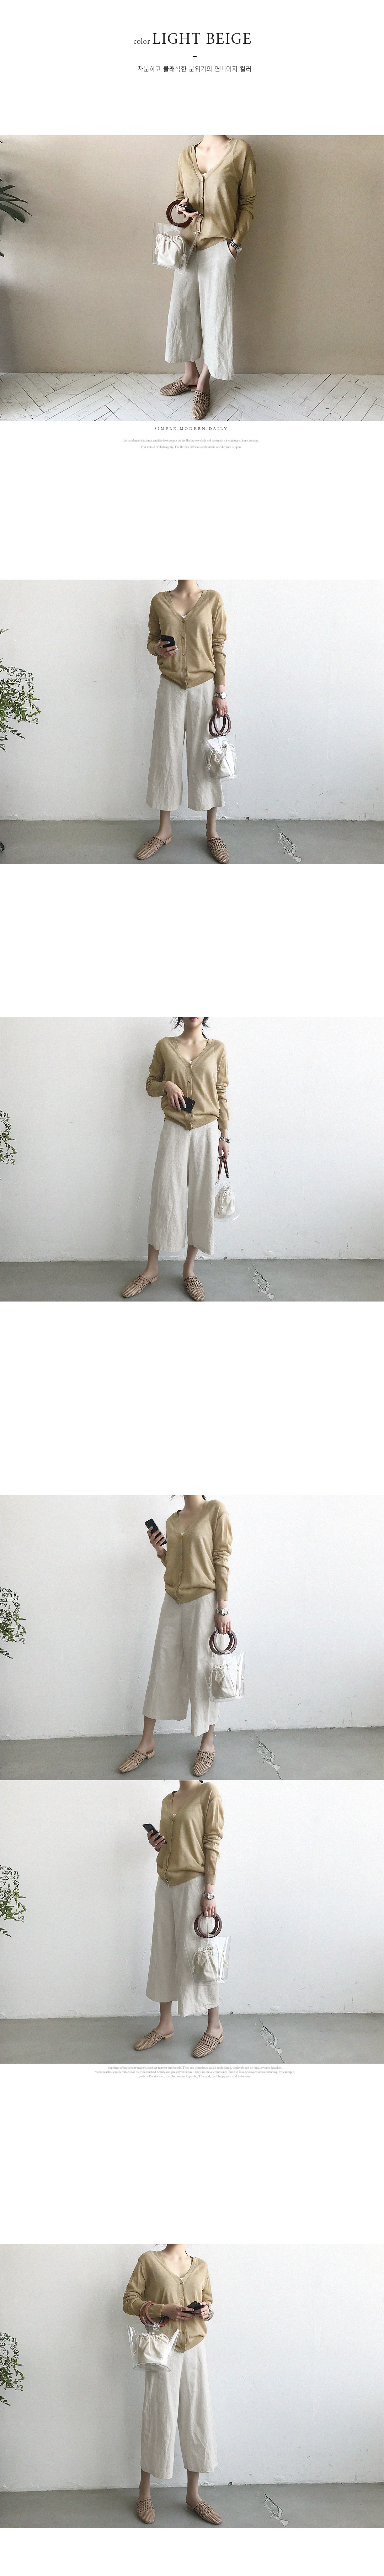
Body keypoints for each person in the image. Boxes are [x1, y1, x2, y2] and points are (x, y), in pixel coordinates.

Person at [119, 1491, 233, 1771]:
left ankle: (208, 1743)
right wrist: (161, 1552)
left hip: (204, 1601)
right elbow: (176, 1564)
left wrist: (223, 1607)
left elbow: (221, 1558)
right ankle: (147, 1743)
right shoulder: (173, 1520)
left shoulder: (216, 1510)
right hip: (173, 1600)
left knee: (204, 1671)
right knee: (162, 1667)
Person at [122, 1018, 230, 1301]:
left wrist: (225, 1135)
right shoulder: (165, 1047)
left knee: (201, 1197)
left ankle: (189, 1271)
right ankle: (151, 1270)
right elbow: (150, 1085)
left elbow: (221, 1093)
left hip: (207, 1132)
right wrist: (167, 1085)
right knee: (165, 1195)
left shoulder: (218, 1049)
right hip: (174, 1129)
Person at [123, 2241, 220, 2523]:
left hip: (195, 2350)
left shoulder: (201, 2266)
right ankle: (144, 2493)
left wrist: (206, 2311)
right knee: (159, 2416)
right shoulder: (149, 2260)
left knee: (197, 2417)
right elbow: (129, 2301)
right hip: (162, 2350)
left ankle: (194, 2496)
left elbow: (209, 2303)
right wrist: (163, 2309)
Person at [161, 134, 257, 417]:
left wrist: (235, 244)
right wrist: (182, 207)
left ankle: (204, 381)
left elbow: (248, 202)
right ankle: (189, 374)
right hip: (187, 247)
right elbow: (180, 196)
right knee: (183, 310)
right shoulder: (186, 155)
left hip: (220, 247)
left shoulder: (240, 151)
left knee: (216, 315)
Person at [137, 578, 230, 863]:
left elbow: (218, 645)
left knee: (209, 757)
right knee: (166, 755)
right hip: (171, 687)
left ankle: (212, 832)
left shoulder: (213, 599)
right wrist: (158, 650)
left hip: (204, 689)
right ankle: (164, 830)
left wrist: (221, 691)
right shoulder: (159, 601)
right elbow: (151, 640)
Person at [134, 1775, 225, 2059]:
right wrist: (158, 1844)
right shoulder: (168, 1801)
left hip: (194, 1885)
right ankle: (165, 2024)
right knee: (164, 1953)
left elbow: (213, 1841)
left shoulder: (209, 1793)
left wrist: (210, 1890)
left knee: (202, 1955)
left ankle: (215, 2028)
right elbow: (172, 1845)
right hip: (165, 1884)